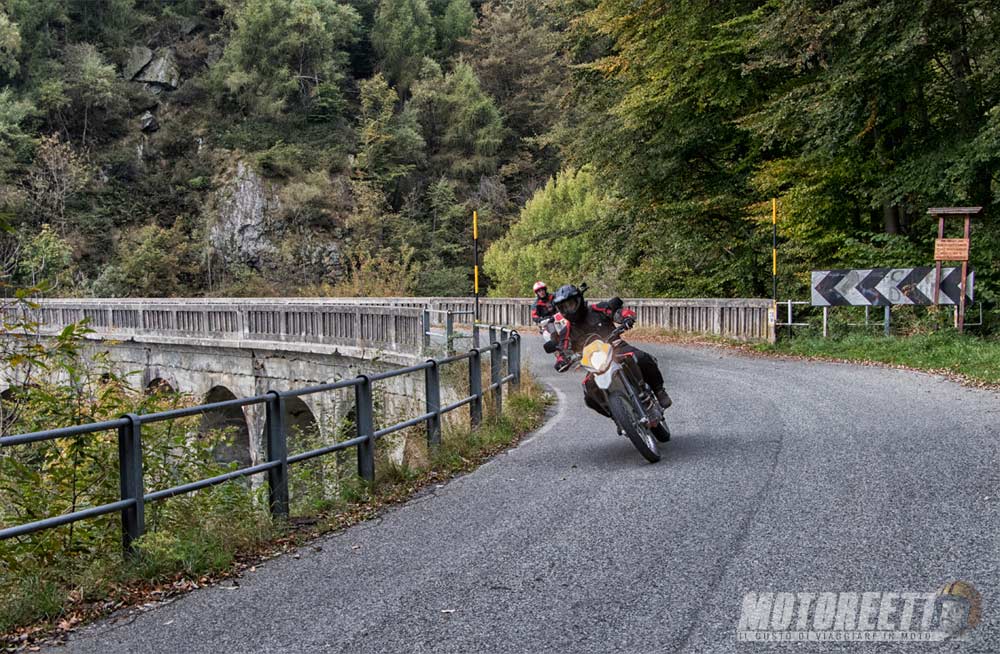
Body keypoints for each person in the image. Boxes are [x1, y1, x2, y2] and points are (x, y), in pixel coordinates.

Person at [550, 284, 672, 416]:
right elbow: (563, 348)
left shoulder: (598, 309)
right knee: (589, 393)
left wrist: (626, 317)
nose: (568, 309)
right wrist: (562, 360)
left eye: (570, 304)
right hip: (594, 363)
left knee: (640, 357)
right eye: (564, 307)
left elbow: (616, 313)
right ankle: (617, 416)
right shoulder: (566, 331)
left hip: (617, 347)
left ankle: (659, 391)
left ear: (578, 300)